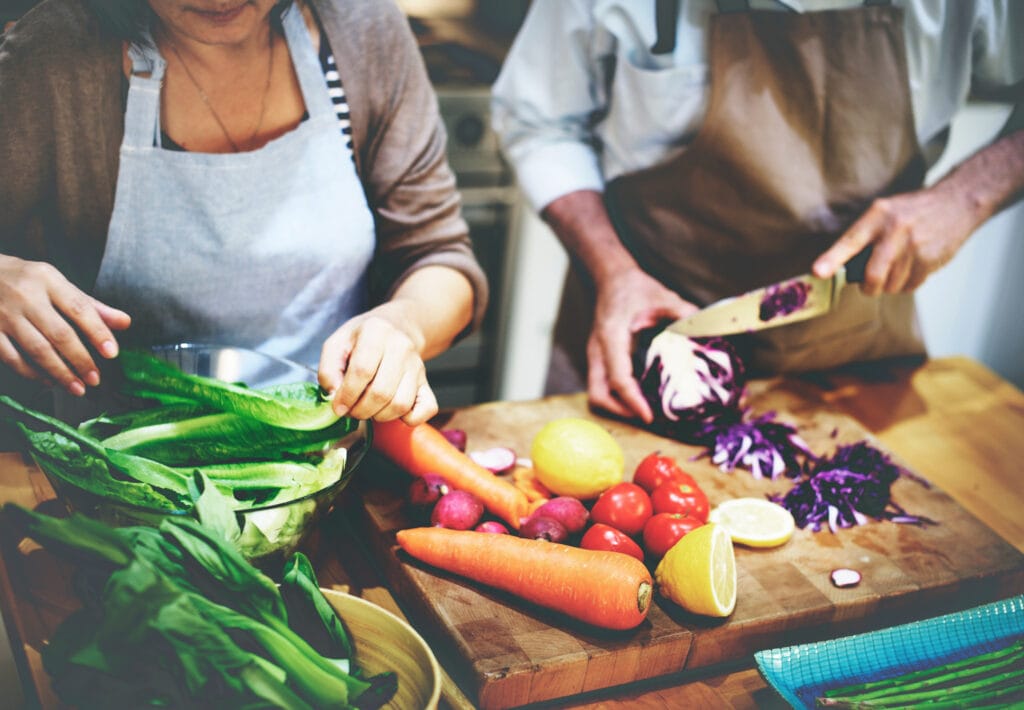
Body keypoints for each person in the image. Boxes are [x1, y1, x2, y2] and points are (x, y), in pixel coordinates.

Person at [491, 0, 1023, 424]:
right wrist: (613, 270)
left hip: (852, 356)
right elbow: (539, 123)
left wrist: (966, 196)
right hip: (639, 341)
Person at [0, 0, 488, 426]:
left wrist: (404, 324)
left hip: (325, 457)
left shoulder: (363, 31)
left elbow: (440, 257)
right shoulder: (54, 54)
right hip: (116, 471)